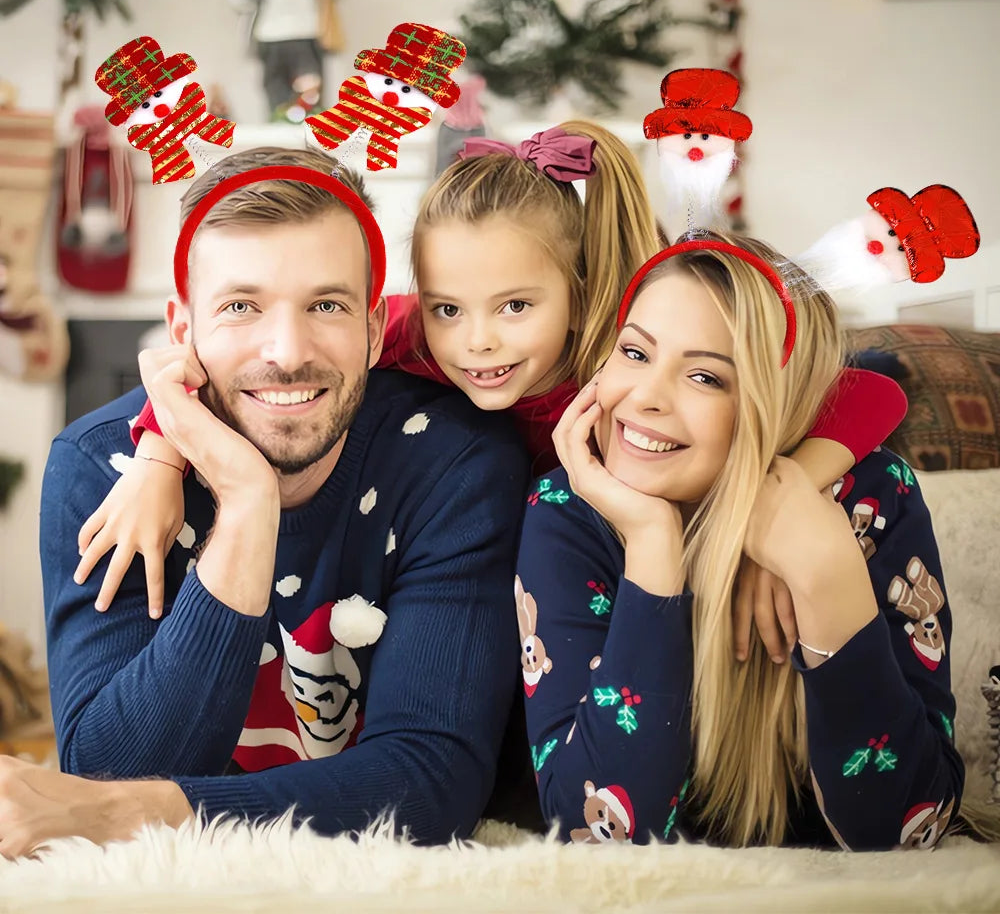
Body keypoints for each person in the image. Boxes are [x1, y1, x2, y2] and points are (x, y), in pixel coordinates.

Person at [76, 124, 906, 666]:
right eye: (448, 308)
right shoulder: (397, 335)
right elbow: (191, 362)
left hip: (637, 581)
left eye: (515, 307)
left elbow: (875, 385)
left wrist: (785, 492)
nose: (477, 342)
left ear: (578, 291)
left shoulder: (623, 359)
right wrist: (156, 457)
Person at [10, 146, 530, 860]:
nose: (286, 351)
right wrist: (249, 503)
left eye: (326, 305)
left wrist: (148, 811)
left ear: (376, 329)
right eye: (240, 307)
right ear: (183, 330)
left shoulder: (453, 460)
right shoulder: (101, 467)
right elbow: (104, 767)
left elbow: (433, 781)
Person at [515, 234, 963, 850]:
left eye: (705, 376)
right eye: (635, 353)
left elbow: (907, 832)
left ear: (771, 405)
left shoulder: (873, 498)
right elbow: (593, 834)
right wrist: (652, 546)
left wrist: (824, 572)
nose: (645, 396)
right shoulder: (570, 511)